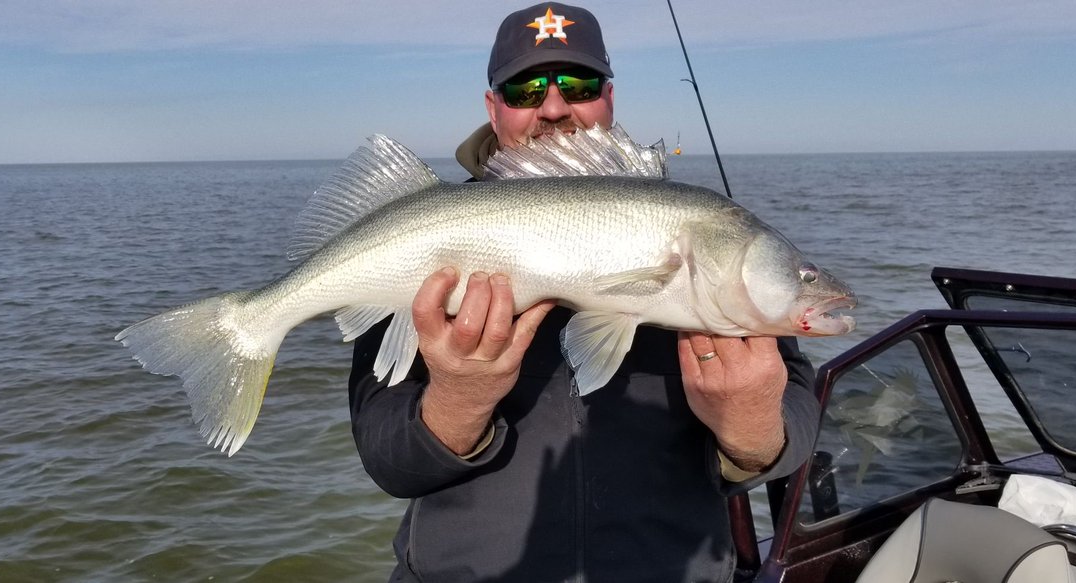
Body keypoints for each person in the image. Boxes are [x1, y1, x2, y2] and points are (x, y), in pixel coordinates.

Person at [348, 3, 819, 581]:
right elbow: (388, 461)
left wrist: (753, 433)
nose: (552, 107)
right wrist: (459, 400)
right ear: (493, 109)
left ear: (609, 99)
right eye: (524, 89)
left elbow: (795, 407)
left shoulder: (703, 242)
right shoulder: (424, 236)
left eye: (578, 83)